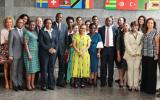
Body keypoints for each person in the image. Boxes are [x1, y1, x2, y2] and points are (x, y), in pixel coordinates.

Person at [141, 18, 159, 94]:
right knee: (145, 71)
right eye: (149, 22)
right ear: (147, 24)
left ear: (154, 24)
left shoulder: (156, 32)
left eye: (152, 23)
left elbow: (157, 44)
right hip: (144, 55)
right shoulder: (145, 32)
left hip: (152, 55)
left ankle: (150, 90)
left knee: (151, 73)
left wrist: (157, 54)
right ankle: (144, 88)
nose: (150, 24)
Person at [124, 21, 143, 91]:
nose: (135, 27)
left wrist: (138, 52)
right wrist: (132, 52)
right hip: (129, 54)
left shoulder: (141, 34)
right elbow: (127, 44)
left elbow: (141, 44)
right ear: (131, 27)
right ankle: (130, 85)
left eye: (136, 26)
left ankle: (136, 85)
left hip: (138, 55)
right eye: (133, 26)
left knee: (136, 69)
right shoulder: (127, 34)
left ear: (138, 27)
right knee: (130, 69)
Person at [39, 18, 57, 91]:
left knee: (51, 69)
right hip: (44, 53)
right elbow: (41, 42)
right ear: (44, 24)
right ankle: (43, 85)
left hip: (53, 53)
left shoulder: (54, 31)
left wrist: (55, 49)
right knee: (44, 69)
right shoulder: (42, 31)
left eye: (50, 23)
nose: (49, 24)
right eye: (47, 23)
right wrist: (48, 49)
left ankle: (51, 84)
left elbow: (57, 42)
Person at [98, 17, 117, 87]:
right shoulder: (101, 29)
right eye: (107, 20)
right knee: (103, 66)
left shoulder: (115, 29)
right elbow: (99, 40)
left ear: (112, 21)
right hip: (104, 49)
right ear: (105, 21)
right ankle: (103, 81)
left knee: (111, 67)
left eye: (110, 21)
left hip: (112, 49)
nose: (108, 22)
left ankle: (110, 81)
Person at [8, 18, 25, 91]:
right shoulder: (12, 31)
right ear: (16, 23)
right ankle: (15, 84)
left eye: (22, 22)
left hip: (23, 54)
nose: (20, 24)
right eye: (19, 22)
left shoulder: (25, 31)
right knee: (14, 70)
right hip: (15, 54)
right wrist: (10, 55)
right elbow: (10, 45)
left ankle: (20, 83)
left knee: (20, 70)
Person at [52, 13, 68, 87]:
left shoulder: (65, 26)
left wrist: (66, 48)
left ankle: (60, 81)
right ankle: (51, 80)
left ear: (62, 18)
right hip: (53, 49)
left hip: (62, 48)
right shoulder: (51, 24)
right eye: (58, 16)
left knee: (62, 65)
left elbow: (66, 38)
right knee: (51, 65)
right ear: (55, 17)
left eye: (60, 17)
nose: (59, 18)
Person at [23, 20, 40, 91]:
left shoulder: (36, 32)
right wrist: (29, 54)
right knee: (29, 70)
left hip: (35, 53)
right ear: (29, 25)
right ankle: (28, 85)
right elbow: (25, 44)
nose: (32, 26)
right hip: (29, 53)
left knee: (34, 70)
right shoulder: (26, 32)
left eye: (34, 25)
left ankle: (32, 83)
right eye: (31, 25)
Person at [0, 16, 14, 89]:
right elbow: (1, 42)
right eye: (7, 22)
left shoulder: (14, 30)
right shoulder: (3, 31)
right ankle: (6, 82)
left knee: (11, 67)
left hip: (12, 50)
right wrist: (8, 41)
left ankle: (11, 81)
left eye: (10, 22)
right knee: (6, 66)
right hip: (5, 50)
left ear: (12, 23)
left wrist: (8, 41)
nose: (9, 23)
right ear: (5, 23)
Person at [115, 17, 127, 87]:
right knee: (120, 66)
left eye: (121, 20)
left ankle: (122, 78)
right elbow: (118, 43)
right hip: (118, 51)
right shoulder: (117, 29)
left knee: (125, 66)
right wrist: (118, 54)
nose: (119, 21)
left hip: (126, 52)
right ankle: (121, 80)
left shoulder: (127, 31)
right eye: (118, 20)